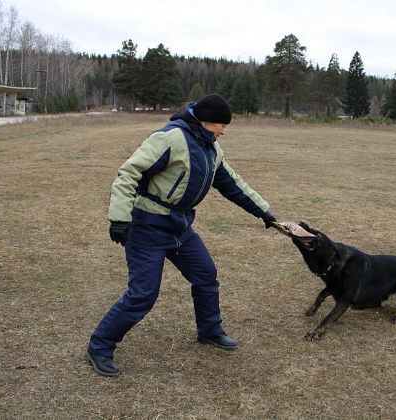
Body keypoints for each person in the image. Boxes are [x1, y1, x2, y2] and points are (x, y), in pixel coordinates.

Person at [86, 93, 277, 377]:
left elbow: (232, 184)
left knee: (205, 275)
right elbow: (129, 173)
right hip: (148, 227)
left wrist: (264, 211)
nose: (224, 131)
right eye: (221, 125)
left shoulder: (212, 148)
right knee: (143, 295)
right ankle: (99, 347)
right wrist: (119, 218)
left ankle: (209, 331)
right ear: (205, 120)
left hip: (180, 228)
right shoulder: (169, 139)